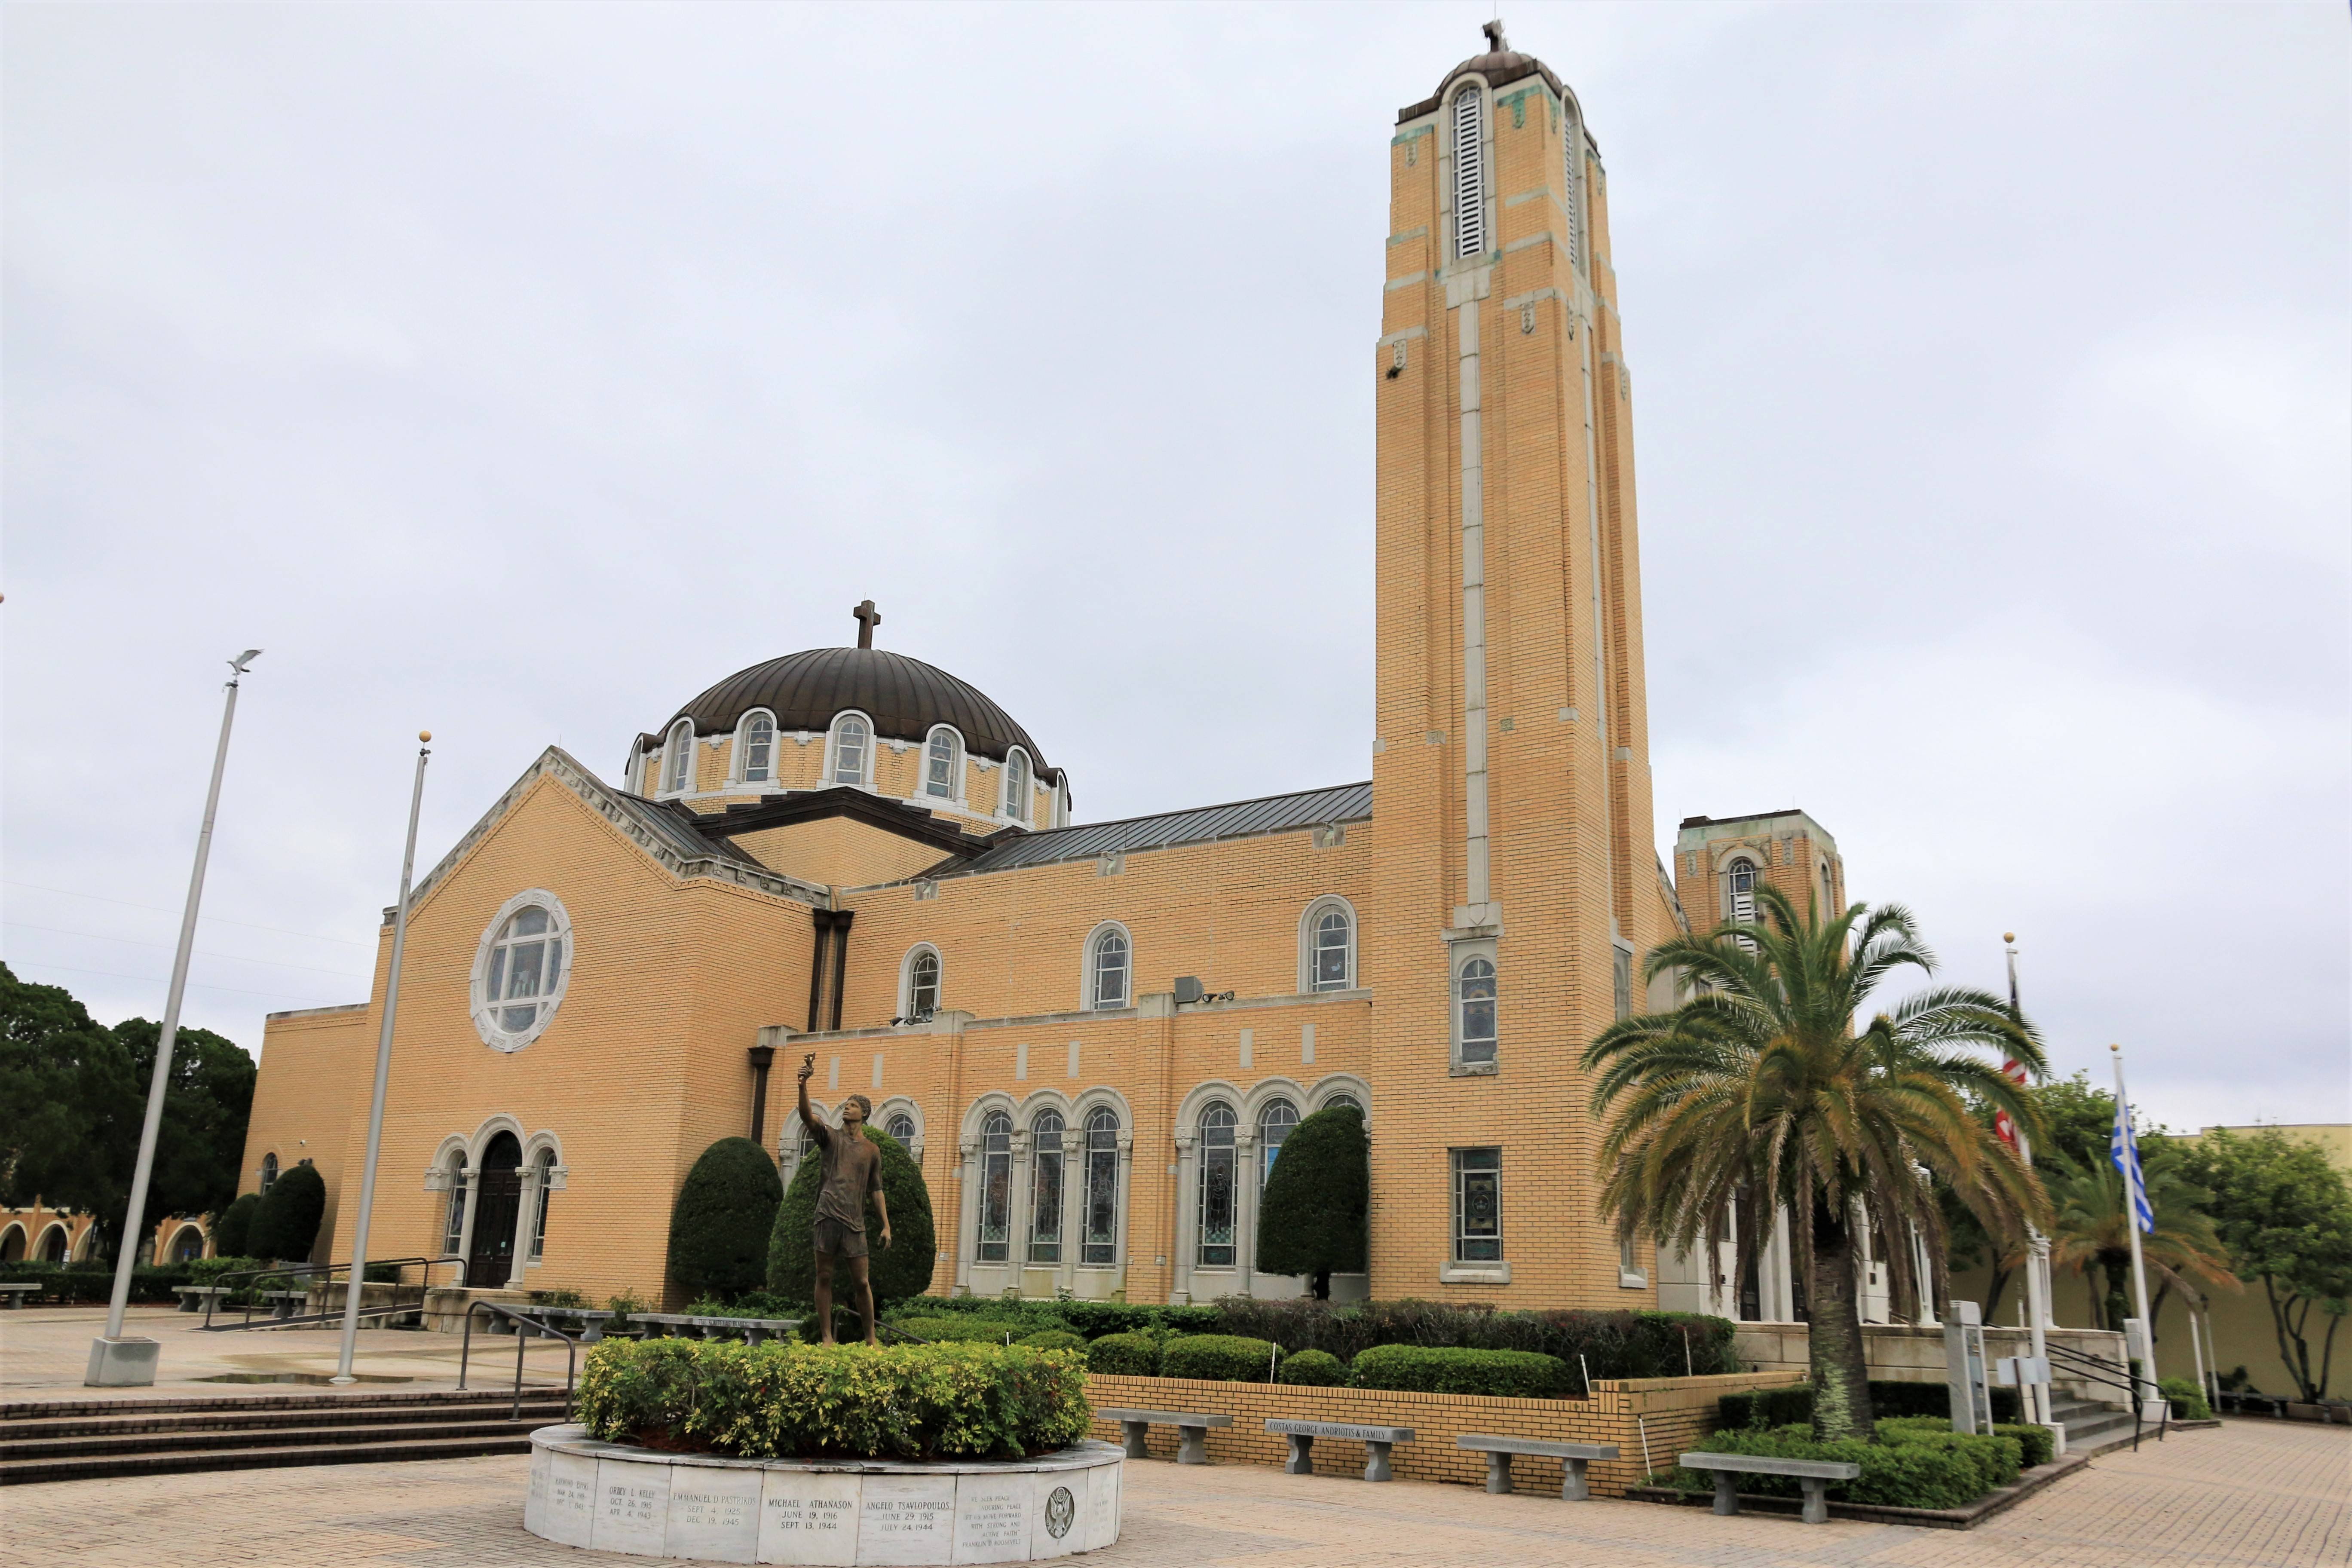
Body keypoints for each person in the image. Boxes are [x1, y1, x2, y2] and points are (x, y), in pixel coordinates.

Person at [797, 1056, 891, 1345]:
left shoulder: (872, 1150)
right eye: (846, 1105)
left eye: (851, 1105)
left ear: (863, 1113)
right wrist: (803, 1084)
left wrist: (886, 1226)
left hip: (855, 1222)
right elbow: (807, 1116)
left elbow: (876, 1190)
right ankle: (827, 1337)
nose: (845, 1108)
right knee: (824, 1276)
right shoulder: (830, 1137)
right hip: (827, 1215)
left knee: (862, 1282)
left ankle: (871, 1338)